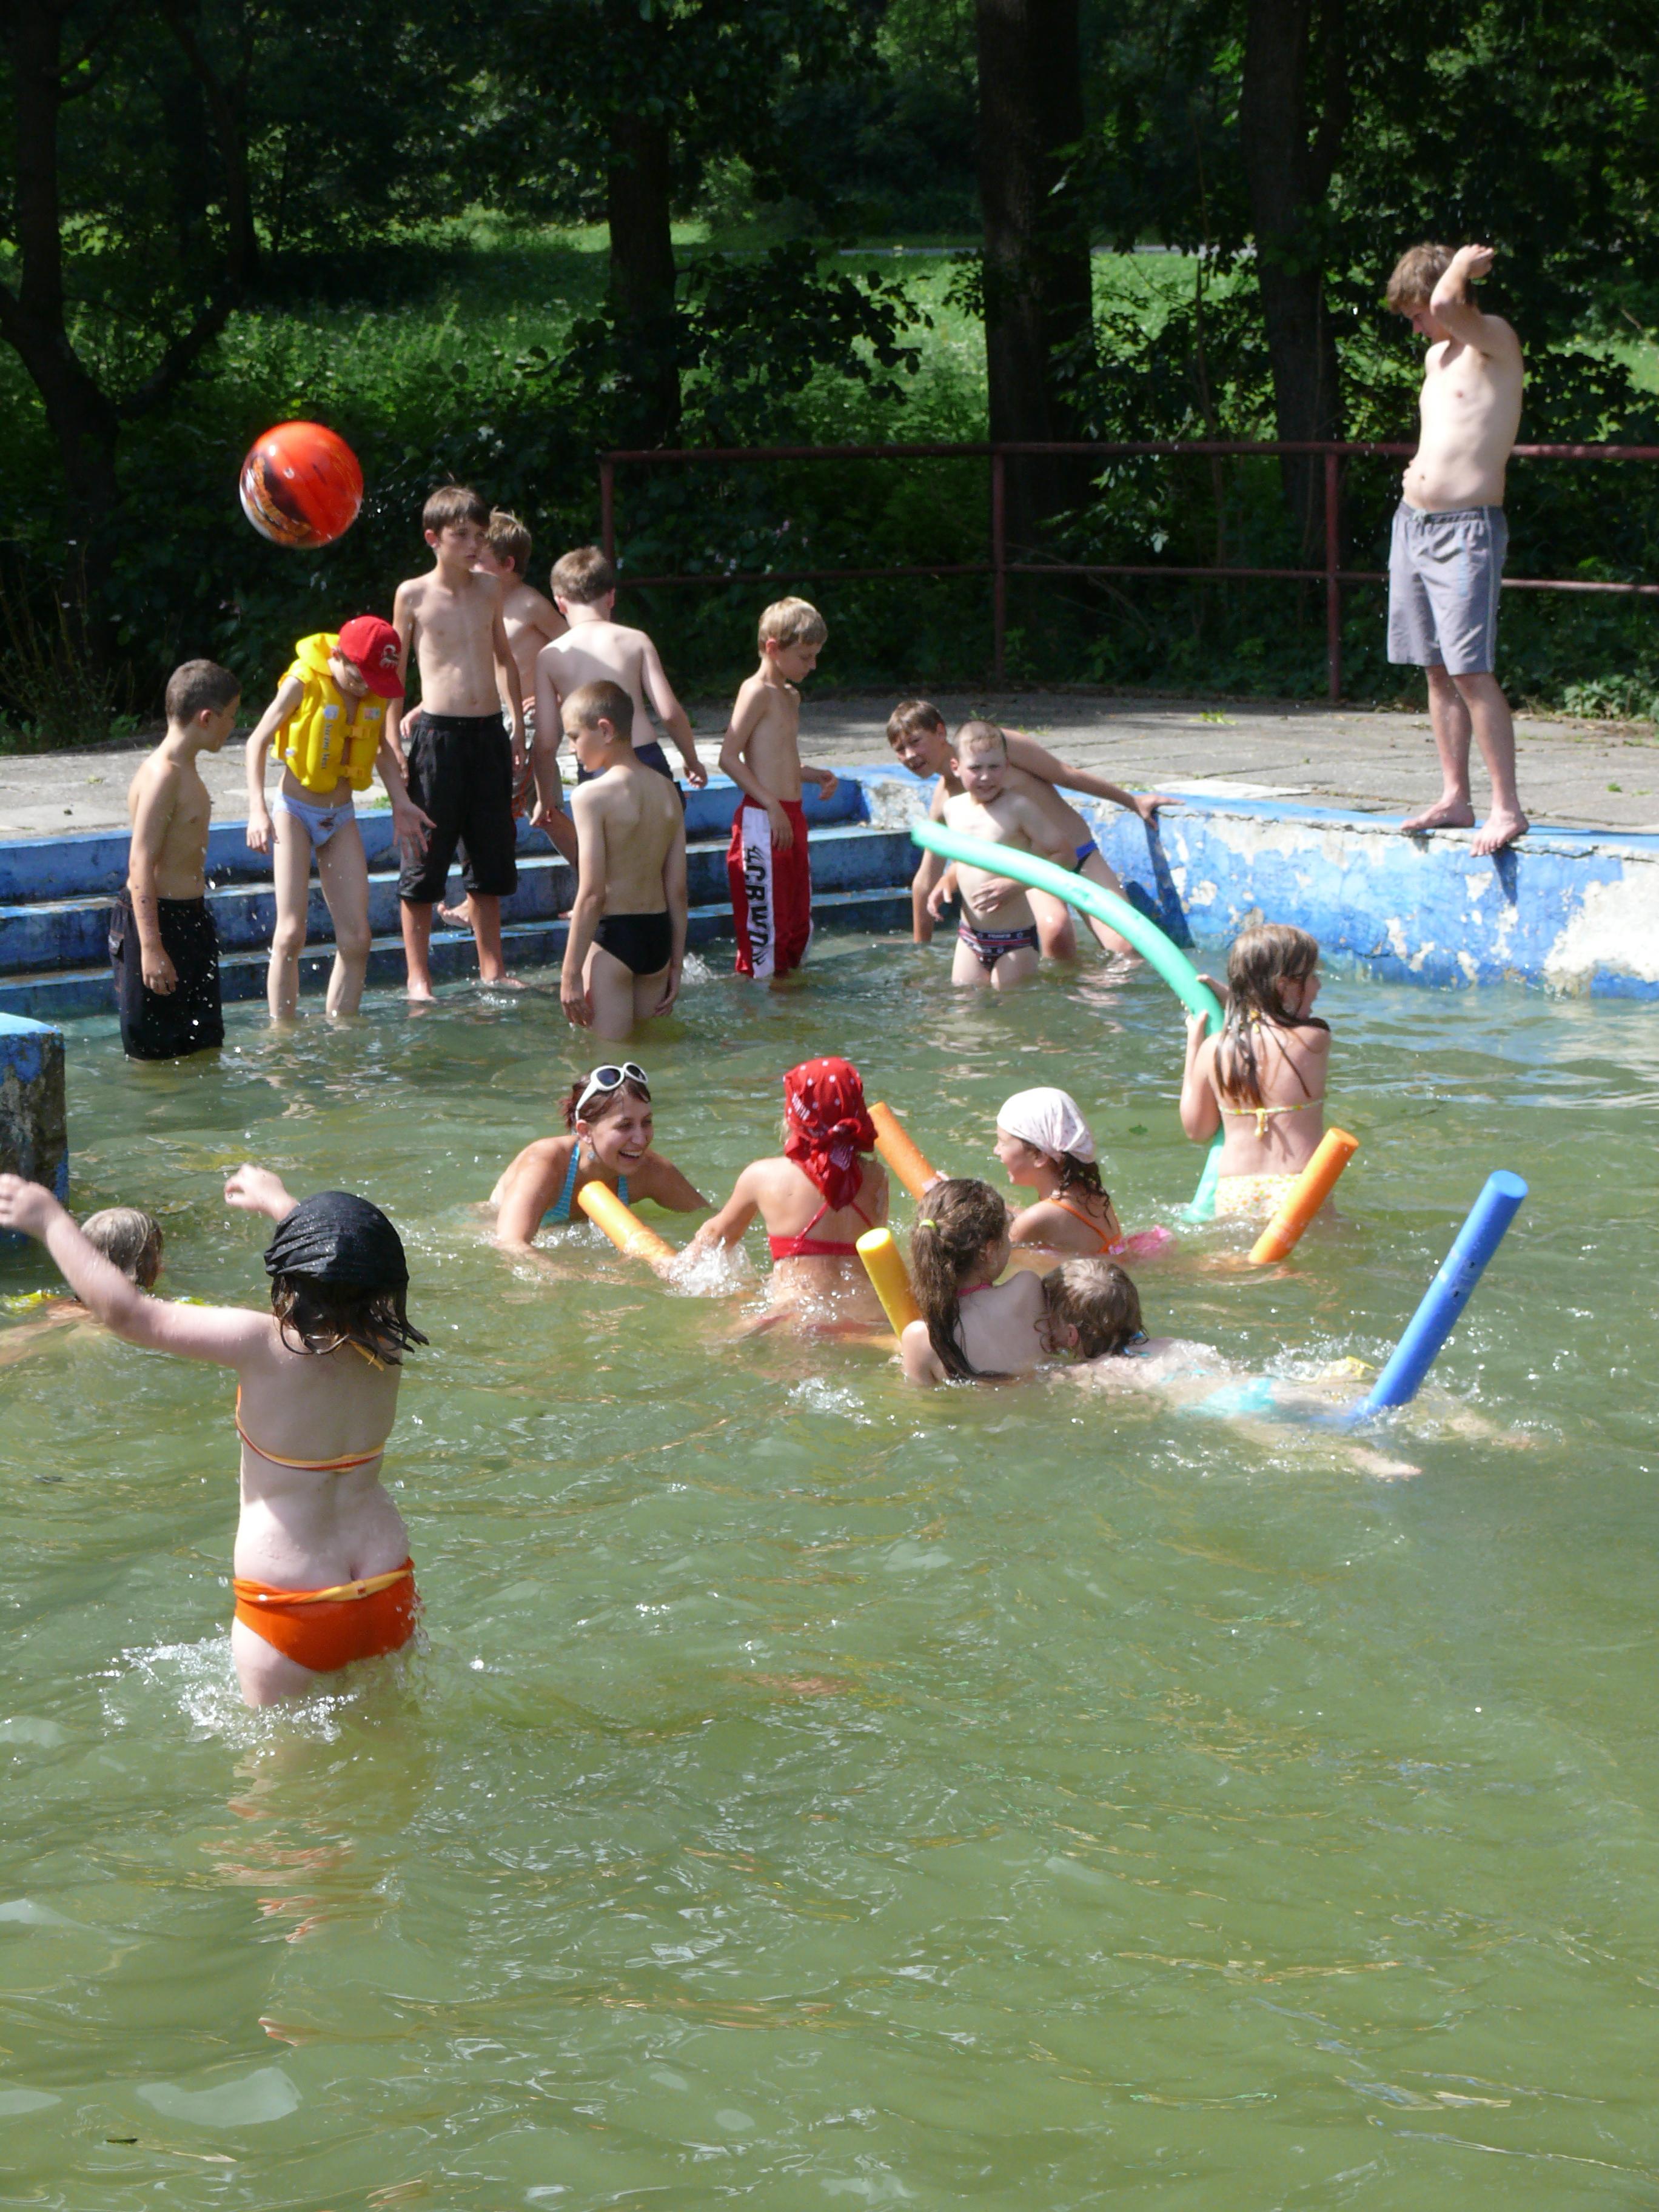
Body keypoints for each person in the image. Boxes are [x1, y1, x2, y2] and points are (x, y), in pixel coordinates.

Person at [0, 1165, 427, 1706]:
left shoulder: (261, 1343)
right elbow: (347, 1264)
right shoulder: (386, 1344)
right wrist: (279, 1203)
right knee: (389, 1744)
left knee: (274, 1763)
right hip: (387, 1582)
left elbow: (129, 1314)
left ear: (289, 1278)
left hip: (291, 1599)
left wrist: (50, 1220)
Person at [1385, 243, 1527, 856]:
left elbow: (1447, 303)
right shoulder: (1436, 358)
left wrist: (1463, 264)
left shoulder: (1494, 340)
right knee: (1436, 668)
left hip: (1467, 529)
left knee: (1470, 669)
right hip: (1414, 525)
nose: (1418, 326)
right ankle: (1455, 797)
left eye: (1418, 313)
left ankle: (1507, 807)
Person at [243, 618, 433, 1020]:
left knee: (358, 938)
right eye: (359, 677)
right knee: (291, 933)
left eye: (374, 680)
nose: (365, 687)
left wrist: (400, 801)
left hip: (340, 816)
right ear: (337, 656)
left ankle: (342, 1032)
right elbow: (257, 741)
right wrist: (257, 809)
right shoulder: (303, 682)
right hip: (294, 811)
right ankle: (282, 1036)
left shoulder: (372, 691)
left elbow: (379, 747)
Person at [889, 699, 1165, 959]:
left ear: (940, 732)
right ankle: (1070, 989)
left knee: (1127, 947)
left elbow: (1064, 774)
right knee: (1056, 931)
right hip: (1032, 870)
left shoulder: (998, 745)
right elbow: (926, 880)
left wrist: (1131, 801)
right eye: (900, 749)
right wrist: (921, 953)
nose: (910, 755)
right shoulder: (947, 802)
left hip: (1077, 853)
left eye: (916, 742)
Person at [389, 484, 526, 998]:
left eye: (480, 536)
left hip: (488, 732)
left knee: (491, 854)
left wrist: (517, 724)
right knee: (425, 859)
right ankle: (418, 977)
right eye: (462, 535)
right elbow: (394, 676)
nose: (474, 545)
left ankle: (492, 968)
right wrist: (393, 741)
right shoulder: (413, 594)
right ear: (434, 538)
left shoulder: (490, 588)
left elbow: (504, 659)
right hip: (438, 738)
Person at [687, 1059, 889, 1321]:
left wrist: (674, 1267)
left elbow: (717, 1238)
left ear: (794, 1113)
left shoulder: (762, 1176)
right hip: (869, 1316)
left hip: (797, 1317)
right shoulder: (877, 1177)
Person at [110, 659, 241, 1061]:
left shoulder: (186, 769)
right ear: (207, 718)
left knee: (202, 1048)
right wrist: (151, 947)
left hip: (189, 920)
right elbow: (140, 862)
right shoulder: (163, 775)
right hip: (155, 922)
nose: (234, 726)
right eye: (232, 716)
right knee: (154, 1053)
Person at [558, 682, 689, 1042]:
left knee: (608, 1063)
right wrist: (676, 965)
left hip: (614, 940)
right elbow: (678, 890)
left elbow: (592, 894)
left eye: (574, 737)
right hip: (658, 940)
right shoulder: (669, 792)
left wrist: (570, 975)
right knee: (651, 1058)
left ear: (604, 729)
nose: (571, 749)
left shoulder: (590, 796)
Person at [532, 547, 707, 811]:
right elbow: (670, 713)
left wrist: (545, 799)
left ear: (560, 603)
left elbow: (546, 741)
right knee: (665, 835)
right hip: (645, 757)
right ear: (611, 597)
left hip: (595, 764)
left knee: (604, 837)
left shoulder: (550, 656)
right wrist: (692, 761)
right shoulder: (635, 641)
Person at [720, 598, 838, 982]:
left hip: (791, 818)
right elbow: (728, 757)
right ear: (773, 648)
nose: (813, 666)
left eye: (816, 656)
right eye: (805, 657)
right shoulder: (755, 691)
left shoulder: (790, 696)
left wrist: (814, 775)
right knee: (765, 935)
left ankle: (787, 1007)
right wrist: (771, 805)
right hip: (763, 820)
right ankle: (757, 1008)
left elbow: (779, 761)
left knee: (795, 927)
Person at [1179, 923, 1329, 1218]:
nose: (1318, 986)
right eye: (1312, 976)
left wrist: (1194, 1043)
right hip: (1299, 1186)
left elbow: (1197, 1130)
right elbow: (1273, 1029)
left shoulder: (1213, 1049)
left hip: (1235, 1189)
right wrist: (1234, 1003)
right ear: (1283, 985)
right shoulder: (1313, 1040)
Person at [490, 1062, 705, 1256]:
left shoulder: (650, 1171)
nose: (641, 1140)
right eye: (625, 1126)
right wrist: (594, 1277)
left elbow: (709, 1221)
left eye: (646, 1122)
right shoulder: (544, 1162)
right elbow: (510, 1246)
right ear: (585, 1131)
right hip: (489, 1229)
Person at [939, 723, 1076, 990]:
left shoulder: (1019, 808)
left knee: (1011, 1004)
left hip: (1015, 939)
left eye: (994, 767)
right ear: (956, 767)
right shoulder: (953, 809)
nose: (986, 777)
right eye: (975, 768)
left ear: (1007, 766)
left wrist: (1017, 884)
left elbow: (1066, 856)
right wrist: (946, 881)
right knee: (964, 1002)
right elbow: (964, 860)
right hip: (970, 936)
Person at [472, 508, 572, 859]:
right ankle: (596, 878)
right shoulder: (481, 604)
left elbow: (574, 649)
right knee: (544, 809)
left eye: (480, 560)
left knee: (499, 802)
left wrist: (556, 697)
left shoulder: (529, 604)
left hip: (529, 719)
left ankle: (596, 877)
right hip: (495, 716)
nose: (471, 566)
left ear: (508, 565)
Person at [899, 1178, 1050, 1385]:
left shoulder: (919, 1338)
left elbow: (923, 1399)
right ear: (989, 1251)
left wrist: (907, 1358)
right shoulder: (1028, 1288)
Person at [0, 1206, 164, 1367]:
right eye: (158, 1257)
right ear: (145, 1266)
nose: (163, 1266)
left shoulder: (56, 1303)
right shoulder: (138, 1316)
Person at [994, 1088, 1125, 1256]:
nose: (996, 1150)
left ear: (1039, 1155)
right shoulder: (1091, 1191)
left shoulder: (1036, 1219)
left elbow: (995, 1260)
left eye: (1002, 1143)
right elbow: (1042, 1219)